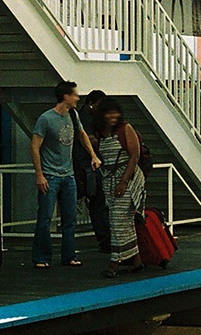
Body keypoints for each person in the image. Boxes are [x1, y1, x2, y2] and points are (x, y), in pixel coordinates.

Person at [31, 81, 100, 269]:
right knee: (45, 217)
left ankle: (68, 255)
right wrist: (40, 175)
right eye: (74, 94)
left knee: (70, 218)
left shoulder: (73, 115)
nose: (77, 98)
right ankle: (41, 256)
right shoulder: (46, 119)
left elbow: (82, 135)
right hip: (50, 175)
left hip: (68, 175)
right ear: (65, 97)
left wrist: (93, 155)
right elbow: (35, 147)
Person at [91, 98, 146, 278]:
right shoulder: (101, 133)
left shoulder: (125, 129)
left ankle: (114, 262)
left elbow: (134, 155)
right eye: (109, 112)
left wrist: (123, 181)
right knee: (124, 222)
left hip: (127, 181)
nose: (113, 116)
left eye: (115, 112)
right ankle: (136, 260)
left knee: (117, 221)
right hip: (110, 181)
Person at [74, 90, 112, 254]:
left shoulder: (84, 116)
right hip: (87, 166)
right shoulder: (84, 118)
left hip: (86, 165)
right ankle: (105, 240)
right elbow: (88, 139)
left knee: (98, 203)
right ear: (91, 103)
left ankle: (104, 239)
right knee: (98, 203)